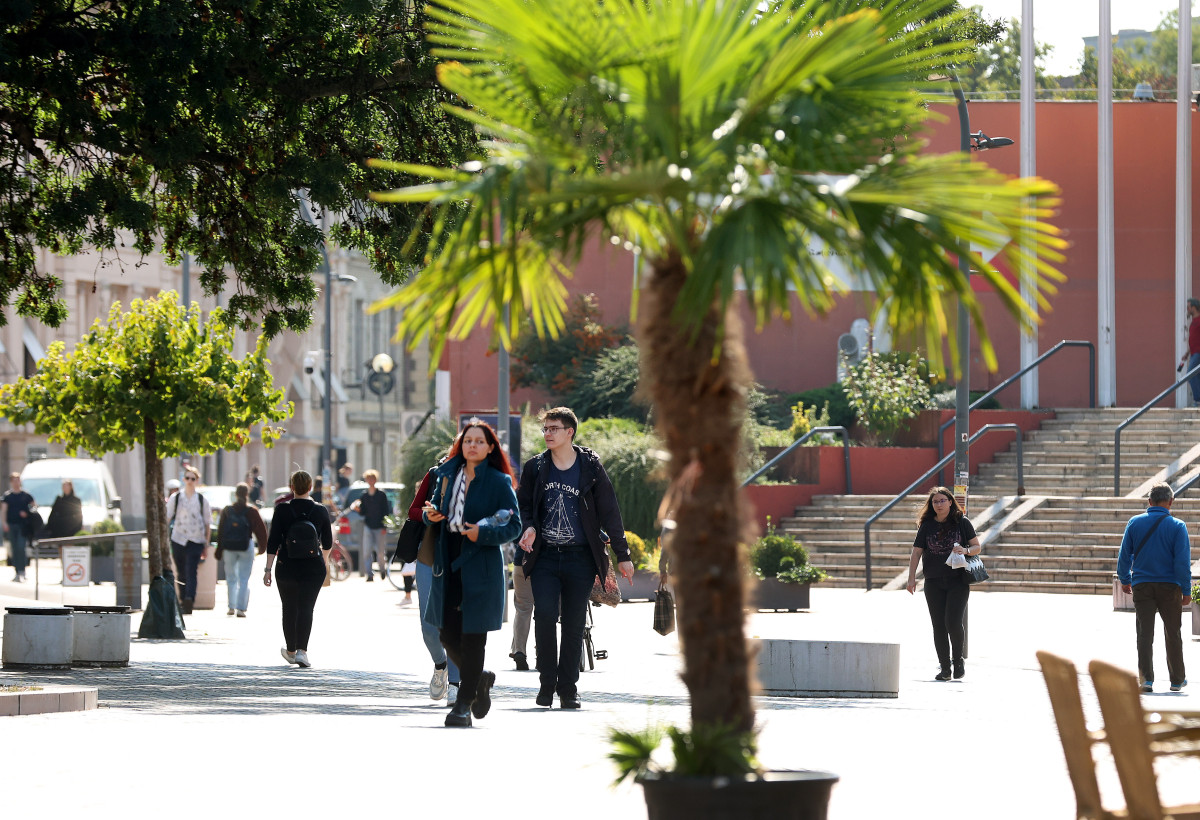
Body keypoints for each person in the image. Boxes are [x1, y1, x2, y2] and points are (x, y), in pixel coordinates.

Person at [517, 407, 634, 709]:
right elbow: (525, 506)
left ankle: (568, 689)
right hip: (544, 557)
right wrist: (528, 527)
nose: (547, 434)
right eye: (545, 428)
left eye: (553, 428)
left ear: (570, 432)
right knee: (543, 615)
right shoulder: (535, 467)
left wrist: (623, 554)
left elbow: (610, 511)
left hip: (580, 558)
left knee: (573, 622)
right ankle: (547, 683)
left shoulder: (590, 468)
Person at [423, 419, 522, 727]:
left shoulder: (498, 481)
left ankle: (463, 705)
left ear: (490, 447)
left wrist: (483, 534)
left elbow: (514, 525)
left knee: (473, 636)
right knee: (446, 632)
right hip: (448, 560)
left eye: (479, 441)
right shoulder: (445, 474)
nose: (473, 446)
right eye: (468, 441)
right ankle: (478, 680)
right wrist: (433, 516)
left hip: (479, 563)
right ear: (460, 445)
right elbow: (435, 513)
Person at [1117, 482, 1191, 693]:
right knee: (1173, 632)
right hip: (1170, 587)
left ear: (1149, 502)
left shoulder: (1134, 523)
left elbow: (1124, 556)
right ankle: (1177, 679)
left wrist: (1124, 579)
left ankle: (1146, 679)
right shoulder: (1177, 526)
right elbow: (1182, 564)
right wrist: (1186, 590)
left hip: (1142, 586)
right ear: (1170, 502)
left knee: (1144, 633)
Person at [905, 486, 982, 681]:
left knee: (953, 622)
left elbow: (976, 547)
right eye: (935, 501)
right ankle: (945, 667)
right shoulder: (927, 525)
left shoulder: (962, 522)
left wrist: (965, 550)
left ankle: (958, 661)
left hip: (958, 580)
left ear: (950, 502)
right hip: (933, 581)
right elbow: (916, 552)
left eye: (942, 500)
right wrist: (911, 578)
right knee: (938, 625)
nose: (939, 504)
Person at [263, 469, 333, 668]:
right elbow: (327, 542)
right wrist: (324, 561)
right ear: (310, 487)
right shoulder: (320, 510)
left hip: (286, 566)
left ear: (291, 487)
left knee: (289, 607)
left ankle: (291, 650)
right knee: (306, 607)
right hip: (313, 567)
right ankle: (303, 651)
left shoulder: (282, 509)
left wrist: (268, 569)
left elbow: (273, 541)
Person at [407, 461, 462, 702]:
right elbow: (413, 510)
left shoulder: (484, 477)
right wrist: (427, 515)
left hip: (463, 556)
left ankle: (455, 684)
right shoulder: (436, 474)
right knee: (429, 627)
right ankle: (441, 665)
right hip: (430, 553)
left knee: (455, 622)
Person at [215, 483, 268, 617]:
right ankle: (241, 608)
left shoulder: (227, 510)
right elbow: (261, 531)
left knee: (231, 578)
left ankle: (231, 606)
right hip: (246, 547)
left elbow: (221, 530)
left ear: (236, 494)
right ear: (247, 494)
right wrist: (262, 547)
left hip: (229, 548)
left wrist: (219, 549)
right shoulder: (251, 511)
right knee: (244, 579)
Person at [166, 467, 212, 614]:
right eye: (187, 478)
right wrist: (164, 538)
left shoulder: (201, 499)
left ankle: (189, 599)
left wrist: (206, 542)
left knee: (191, 569)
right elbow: (167, 518)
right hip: (178, 538)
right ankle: (182, 597)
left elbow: (207, 522)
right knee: (181, 571)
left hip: (196, 539)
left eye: (193, 479)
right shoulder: (176, 498)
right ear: (183, 480)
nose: (190, 481)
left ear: (196, 481)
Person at [351, 469, 390, 582]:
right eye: (369, 479)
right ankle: (370, 574)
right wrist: (357, 509)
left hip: (379, 526)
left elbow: (386, 511)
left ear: (376, 480)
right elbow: (363, 512)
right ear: (366, 480)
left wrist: (384, 526)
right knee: (367, 551)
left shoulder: (381, 495)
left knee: (380, 552)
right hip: (368, 525)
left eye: (373, 479)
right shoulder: (364, 496)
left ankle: (382, 570)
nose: (371, 481)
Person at [2, 473, 34, 582]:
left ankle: (23, 570)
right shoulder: (8, 496)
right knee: (14, 549)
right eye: (14, 481)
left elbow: (34, 506)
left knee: (21, 547)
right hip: (11, 525)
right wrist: (4, 523)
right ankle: (17, 571)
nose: (16, 483)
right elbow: (4, 510)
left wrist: (27, 513)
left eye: (18, 480)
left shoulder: (26, 495)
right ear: (11, 482)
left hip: (22, 526)